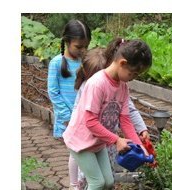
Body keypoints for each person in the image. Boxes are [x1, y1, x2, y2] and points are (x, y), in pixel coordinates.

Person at [63, 38, 152, 190]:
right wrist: (116, 140)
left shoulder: (123, 87)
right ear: (122, 63)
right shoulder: (97, 84)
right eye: (133, 73)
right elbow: (90, 122)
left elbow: (125, 120)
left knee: (108, 182)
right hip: (81, 141)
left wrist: (138, 145)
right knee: (97, 183)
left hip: (97, 142)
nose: (133, 78)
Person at [47, 19, 91, 190]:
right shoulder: (56, 63)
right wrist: (67, 117)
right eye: (78, 47)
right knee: (76, 152)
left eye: (85, 46)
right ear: (66, 41)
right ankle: (75, 185)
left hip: (85, 115)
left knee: (84, 151)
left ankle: (83, 182)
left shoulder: (86, 62)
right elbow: (53, 92)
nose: (82, 51)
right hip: (69, 118)